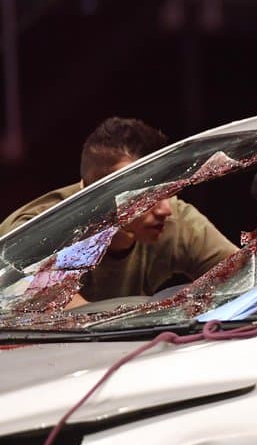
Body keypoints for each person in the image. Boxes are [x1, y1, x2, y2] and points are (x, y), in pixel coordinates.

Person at [0, 117, 237, 305]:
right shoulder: (34, 233)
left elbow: (243, 275)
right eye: (146, 194)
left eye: (166, 188)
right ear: (99, 195)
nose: (165, 208)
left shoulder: (175, 220)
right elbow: (57, 313)